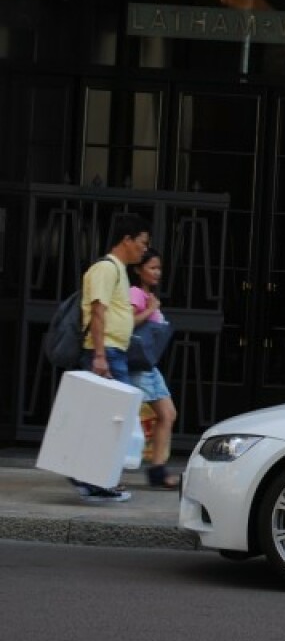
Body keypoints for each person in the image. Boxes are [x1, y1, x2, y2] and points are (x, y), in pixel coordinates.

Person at [71, 213, 151, 503]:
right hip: (106, 352)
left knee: (103, 419)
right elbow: (98, 311)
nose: (144, 249)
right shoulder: (106, 269)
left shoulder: (117, 269)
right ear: (126, 240)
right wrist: (101, 355)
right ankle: (98, 482)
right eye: (141, 243)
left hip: (113, 351)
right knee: (113, 420)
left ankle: (88, 478)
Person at [129, 248, 179, 489]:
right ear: (138, 270)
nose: (157, 272)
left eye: (159, 268)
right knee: (129, 419)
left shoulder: (147, 295)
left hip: (149, 367)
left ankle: (157, 470)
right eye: (152, 268)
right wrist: (149, 310)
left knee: (167, 414)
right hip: (138, 367)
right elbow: (126, 324)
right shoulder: (136, 294)